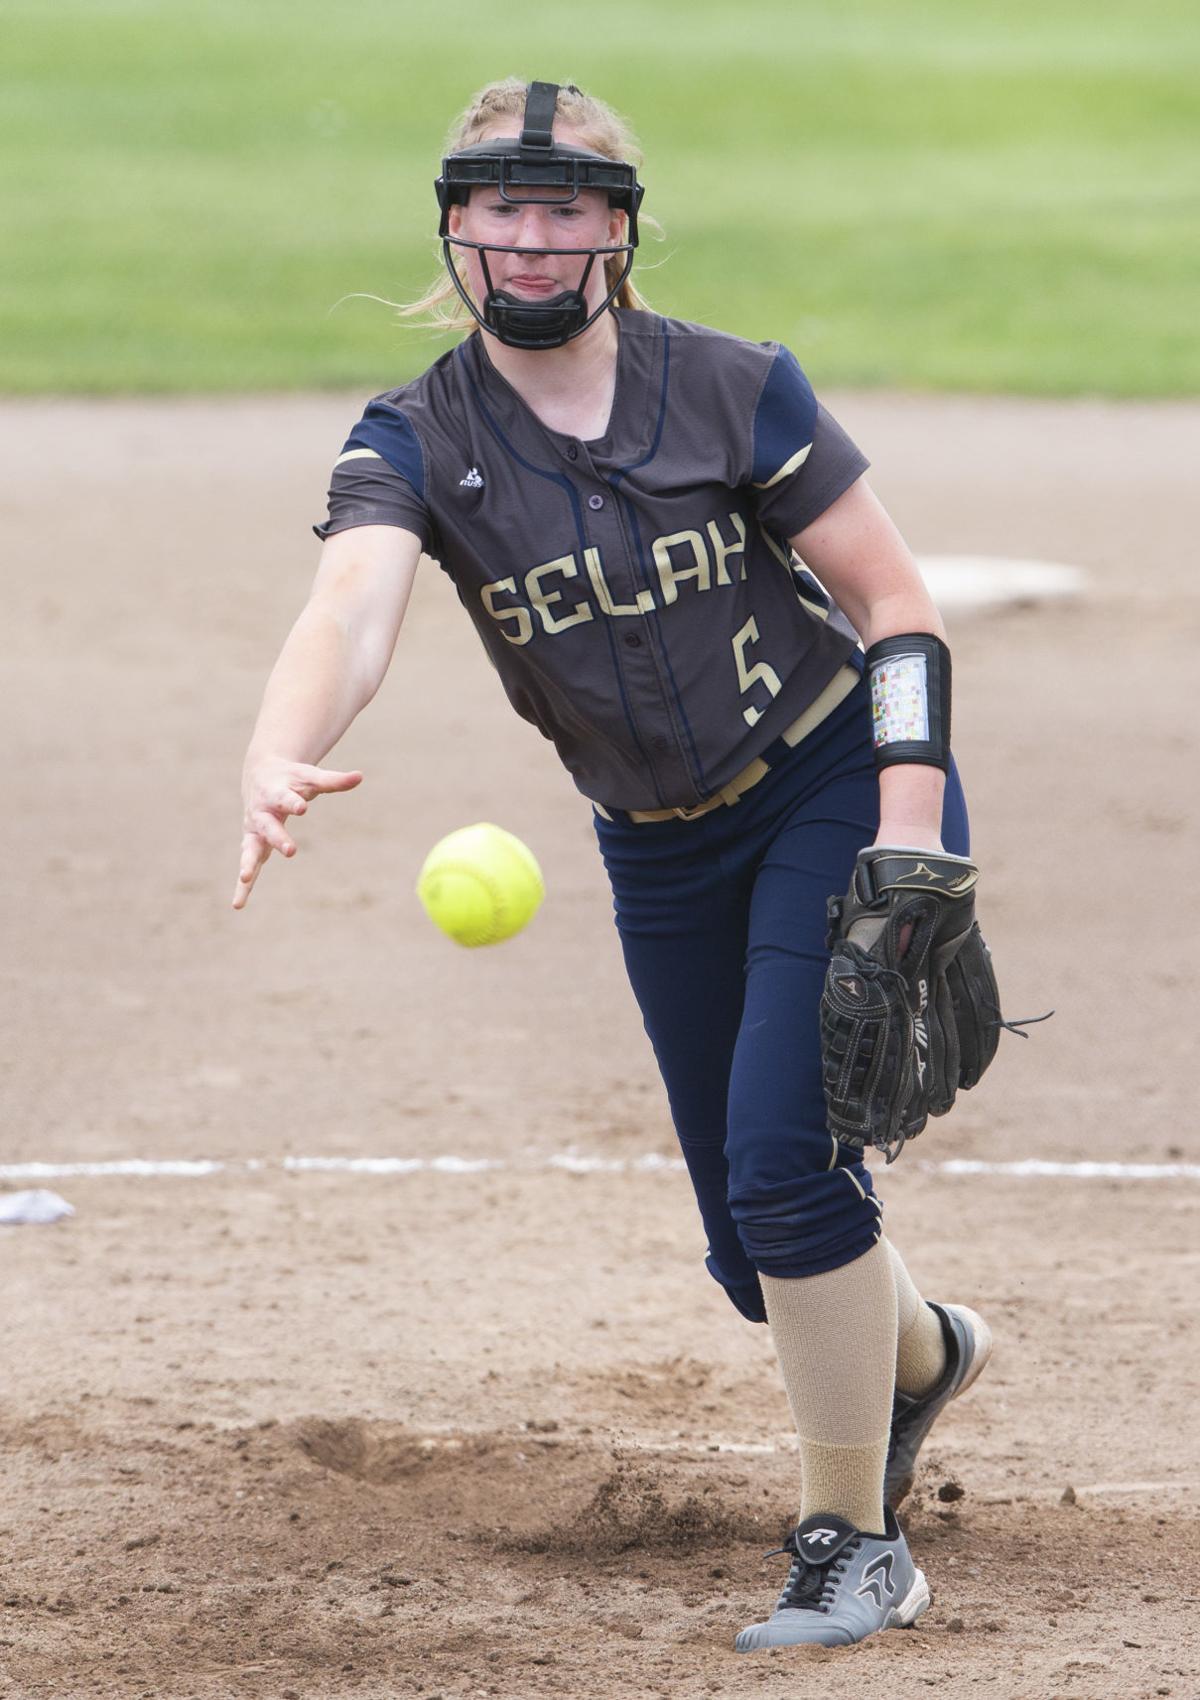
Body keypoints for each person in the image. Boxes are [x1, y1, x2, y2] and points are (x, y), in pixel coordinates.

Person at [234, 79, 993, 1651]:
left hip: (837, 790)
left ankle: (855, 1546)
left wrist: (911, 825)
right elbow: (350, 609)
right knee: (751, 1250)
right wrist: (277, 741)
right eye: (499, 204)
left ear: (617, 231)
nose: (528, 235)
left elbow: (896, 601)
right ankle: (924, 1358)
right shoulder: (417, 438)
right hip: (660, 853)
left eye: (563, 204)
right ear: (454, 225)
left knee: (789, 1176)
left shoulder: (728, 387)